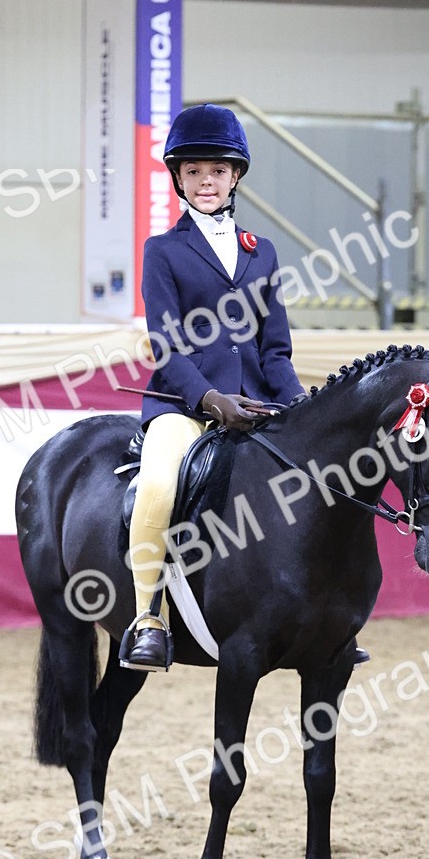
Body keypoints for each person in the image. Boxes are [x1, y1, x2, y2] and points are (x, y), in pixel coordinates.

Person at [122, 103, 304, 671]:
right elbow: (167, 345)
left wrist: (299, 408)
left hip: (258, 404)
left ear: (235, 176)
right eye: (195, 171)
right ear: (178, 177)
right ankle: (148, 618)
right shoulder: (164, 251)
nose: (207, 181)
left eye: (218, 171)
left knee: (320, 475)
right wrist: (210, 399)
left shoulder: (262, 251)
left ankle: (322, 617)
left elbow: (275, 348)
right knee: (156, 486)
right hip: (185, 405)